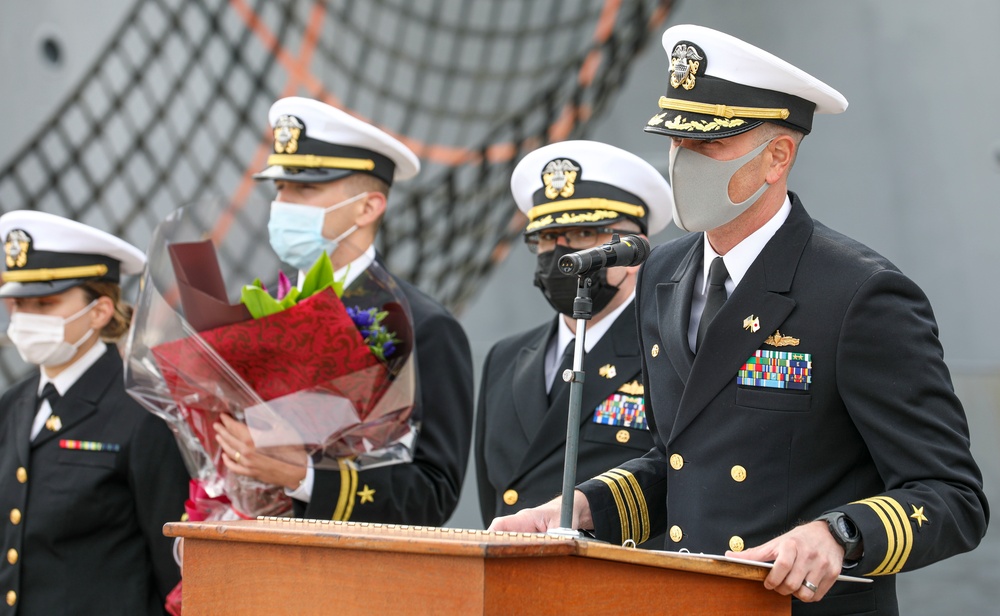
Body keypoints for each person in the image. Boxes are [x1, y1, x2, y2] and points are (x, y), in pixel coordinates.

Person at [490, 24, 989, 615]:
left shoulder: (859, 293)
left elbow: (952, 496)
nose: (682, 162)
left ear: (777, 156)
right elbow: (677, 460)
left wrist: (838, 535)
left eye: (708, 145)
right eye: (677, 142)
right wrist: (582, 506)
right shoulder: (662, 274)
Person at [213, 96, 474, 525]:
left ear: (368, 207)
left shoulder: (423, 327)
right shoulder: (252, 315)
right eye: (280, 188)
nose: (283, 204)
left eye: (305, 188)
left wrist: (305, 477)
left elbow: (433, 493)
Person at [475, 140, 671, 546]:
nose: (562, 252)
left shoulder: (667, 348)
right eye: (548, 237)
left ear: (631, 249)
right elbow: (494, 497)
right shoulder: (506, 358)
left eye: (584, 233)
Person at [0, 211, 189, 615]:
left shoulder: (142, 410)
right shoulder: (11, 407)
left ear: (100, 311)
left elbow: (175, 566)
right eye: (18, 304)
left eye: (45, 303)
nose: (26, 318)